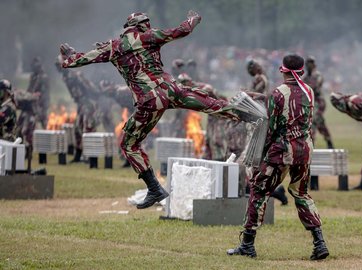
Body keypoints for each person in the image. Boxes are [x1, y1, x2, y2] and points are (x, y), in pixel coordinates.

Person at [60, 11, 236, 209]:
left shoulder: (114, 47)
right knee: (209, 104)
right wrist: (194, 19)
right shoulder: (149, 37)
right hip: (171, 90)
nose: (149, 26)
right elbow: (182, 30)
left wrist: (68, 56)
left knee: (128, 144)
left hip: (150, 100)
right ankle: (244, 112)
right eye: (146, 23)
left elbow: (78, 60)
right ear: (139, 25)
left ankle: (154, 188)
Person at [227, 54, 329, 260]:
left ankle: (247, 245)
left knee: (258, 190)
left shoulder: (277, 93)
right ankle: (319, 243)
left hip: (282, 151)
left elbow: (271, 128)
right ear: (301, 71)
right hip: (305, 149)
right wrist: (258, 96)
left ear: (283, 71)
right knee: (301, 193)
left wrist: (260, 155)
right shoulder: (309, 91)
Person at [55, 58, 99, 163]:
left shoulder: (75, 75)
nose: (58, 68)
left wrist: (94, 97)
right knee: (77, 129)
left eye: (59, 65)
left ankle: (89, 156)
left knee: (87, 129)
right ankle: (78, 156)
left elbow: (89, 87)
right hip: (80, 104)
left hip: (87, 103)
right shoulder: (65, 76)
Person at [303, 56, 333, 149]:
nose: (308, 65)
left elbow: (315, 87)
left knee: (314, 120)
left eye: (310, 63)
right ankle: (328, 141)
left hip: (319, 102)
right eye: (307, 63)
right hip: (311, 102)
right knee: (319, 122)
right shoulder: (305, 77)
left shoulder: (318, 75)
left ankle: (312, 143)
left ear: (314, 64)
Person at [27, 57, 49, 129]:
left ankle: (45, 131)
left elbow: (44, 91)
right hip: (33, 100)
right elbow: (30, 88)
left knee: (43, 118)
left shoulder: (43, 77)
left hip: (42, 101)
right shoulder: (33, 76)